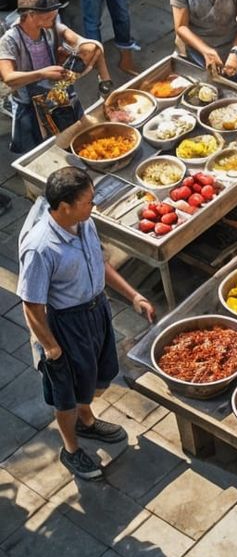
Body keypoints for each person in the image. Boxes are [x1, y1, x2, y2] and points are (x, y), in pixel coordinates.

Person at [20, 164, 156, 480]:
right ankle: (71, 450)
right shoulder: (40, 247)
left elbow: (100, 262)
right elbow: (31, 305)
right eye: (88, 201)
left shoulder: (85, 224)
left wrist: (133, 295)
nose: (94, 205)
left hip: (96, 312)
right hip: (64, 325)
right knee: (65, 393)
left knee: (98, 375)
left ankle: (87, 420)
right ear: (65, 206)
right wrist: (52, 348)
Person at [1, 0, 104, 155]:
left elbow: (77, 40)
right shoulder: (10, 41)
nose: (54, 15)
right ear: (30, 14)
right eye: (49, 13)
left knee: (75, 139)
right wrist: (42, 73)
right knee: (40, 151)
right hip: (31, 104)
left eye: (55, 11)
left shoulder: (51, 26)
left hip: (58, 95)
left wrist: (81, 47)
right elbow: (9, 78)